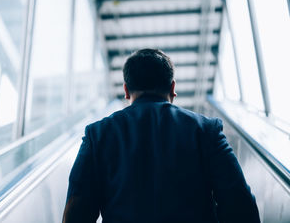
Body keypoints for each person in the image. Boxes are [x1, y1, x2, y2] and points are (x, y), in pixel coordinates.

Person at [63, 49, 260, 223]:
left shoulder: (97, 135)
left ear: (126, 90)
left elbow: (76, 213)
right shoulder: (206, 130)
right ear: (173, 88)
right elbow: (239, 203)